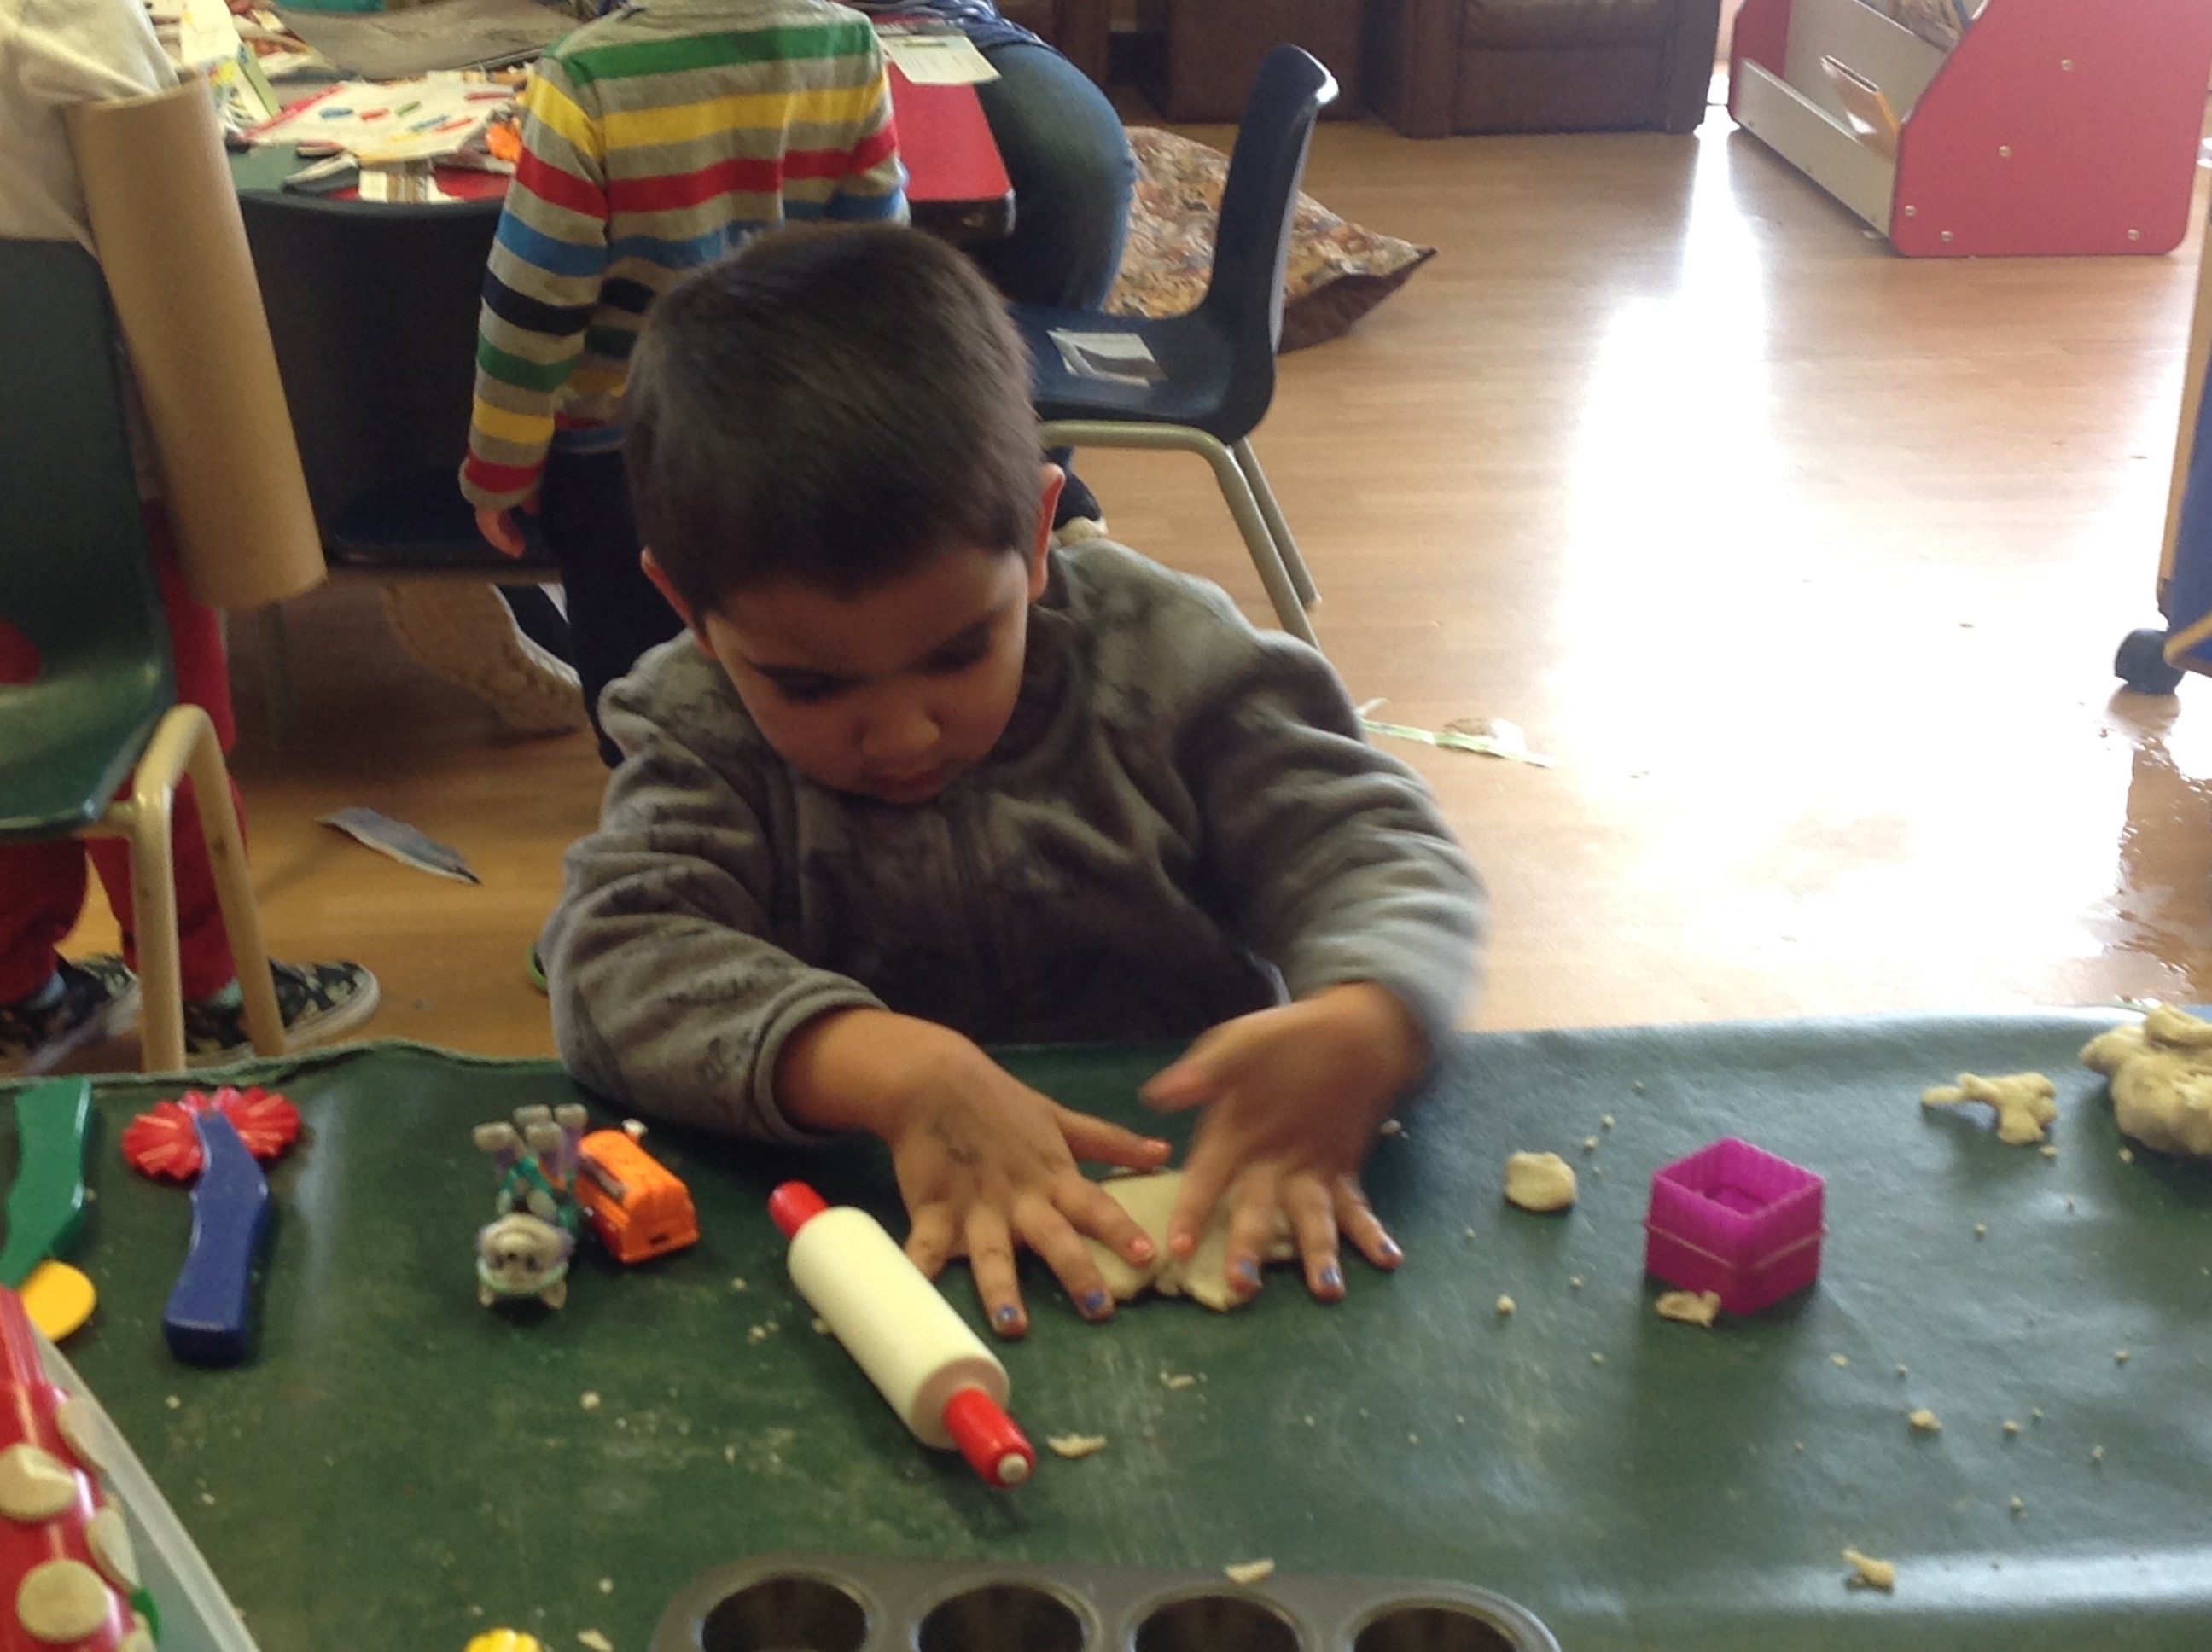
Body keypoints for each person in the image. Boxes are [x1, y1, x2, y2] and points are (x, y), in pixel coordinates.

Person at [540, 225, 1482, 1334]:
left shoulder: (1170, 663)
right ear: (689, 612)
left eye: (956, 652)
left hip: (1214, 1192)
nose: (900, 735)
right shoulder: (697, 725)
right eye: (808, 685)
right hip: (879, 1246)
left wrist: (1370, 1011)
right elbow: (615, 959)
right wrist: (891, 1071)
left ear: (1037, 538)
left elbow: (1372, 849)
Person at [0, 0, 378, 1075]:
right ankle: (210, 989)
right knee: (170, 718)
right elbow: (166, 174)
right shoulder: (60, 18)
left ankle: (21, 985)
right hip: (94, 468)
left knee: (21, 712)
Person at [459, 0, 909, 765]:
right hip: (798, 437)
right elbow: (877, 266)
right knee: (788, 670)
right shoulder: (846, 41)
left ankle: (670, 834)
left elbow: (534, 309)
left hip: (624, 455)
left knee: (642, 707)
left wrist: (499, 465)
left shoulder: (585, 77)